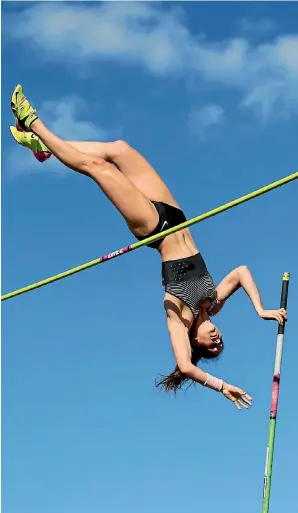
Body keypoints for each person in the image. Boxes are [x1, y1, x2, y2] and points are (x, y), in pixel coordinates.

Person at [10, 84, 287, 410]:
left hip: (154, 228)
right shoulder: (213, 304)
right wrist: (261, 310)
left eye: (211, 349)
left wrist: (222, 386)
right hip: (176, 214)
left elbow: (185, 367)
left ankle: (35, 123)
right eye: (221, 343)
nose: (217, 342)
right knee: (119, 150)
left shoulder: (180, 319)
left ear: (195, 343)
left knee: (98, 168)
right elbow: (241, 272)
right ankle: (46, 148)